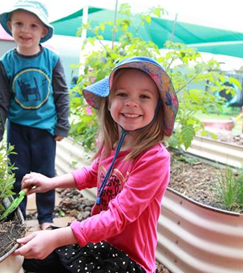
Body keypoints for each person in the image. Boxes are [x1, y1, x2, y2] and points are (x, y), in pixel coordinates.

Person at [14, 56, 179, 273]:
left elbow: (117, 218)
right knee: (32, 259)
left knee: (48, 246)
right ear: (109, 101)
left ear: (158, 108)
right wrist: (51, 183)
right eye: (122, 94)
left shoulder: (154, 159)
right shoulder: (111, 142)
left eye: (144, 96)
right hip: (98, 242)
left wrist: (55, 238)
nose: (131, 103)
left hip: (128, 260)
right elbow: (94, 174)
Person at [0, 0, 70, 230]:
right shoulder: (7, 61)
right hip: (17, 128)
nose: (26, 30)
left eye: (34, 26)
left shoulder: (52, 60)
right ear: (10, 26)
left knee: (46, 174)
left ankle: (46, 219)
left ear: (43, 31)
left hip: (45, 129)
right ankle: (20, 218)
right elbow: (1, 100)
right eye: (20, 24)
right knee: (17, 175)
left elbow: (61, 93)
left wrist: (62, 126)